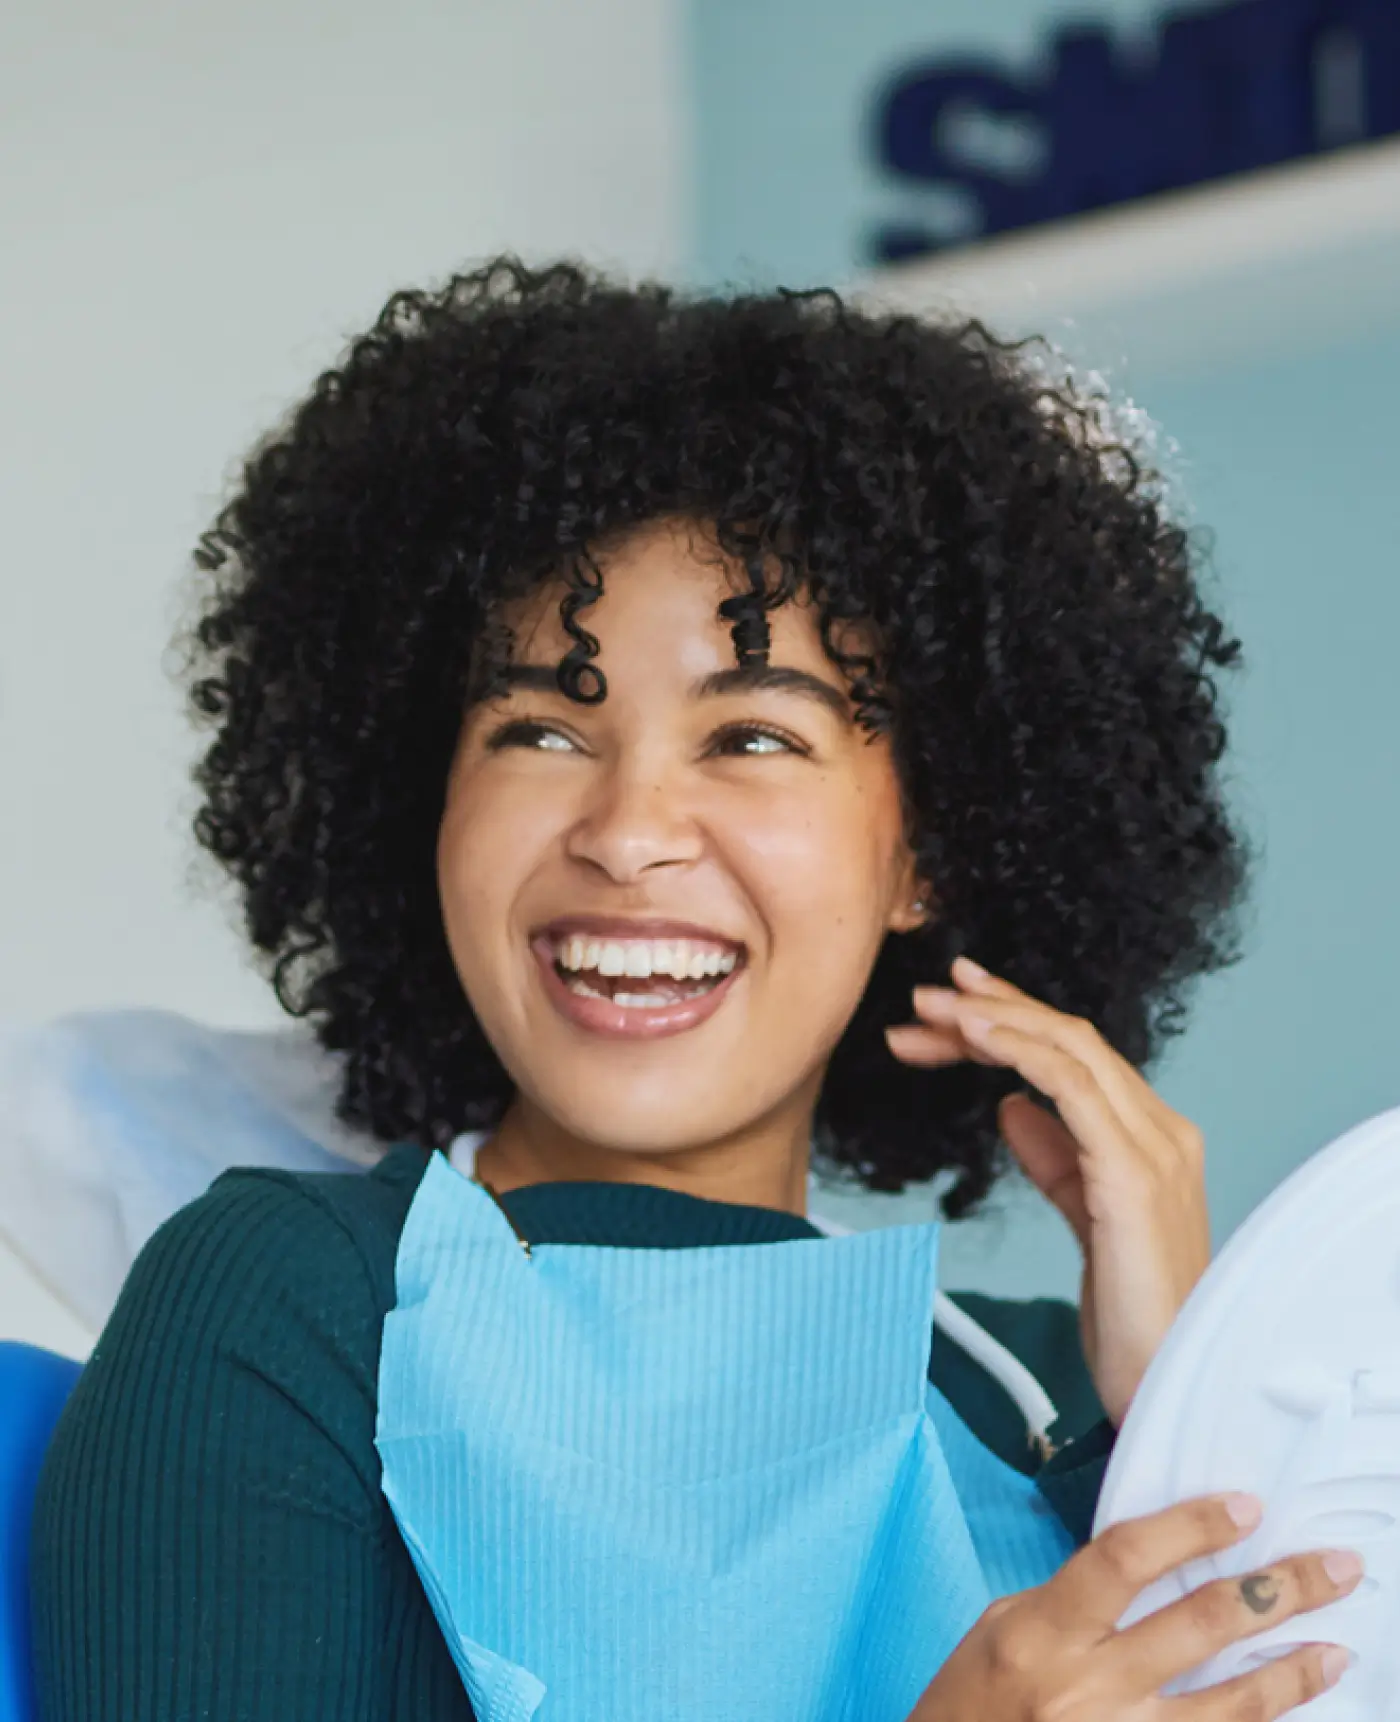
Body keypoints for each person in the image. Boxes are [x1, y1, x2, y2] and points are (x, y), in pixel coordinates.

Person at [30, 259, 1359, 1721]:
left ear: (928, 846)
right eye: (540, 729)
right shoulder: (292, 1306)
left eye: (755, 738)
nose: (628, 829)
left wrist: (1190, 1400)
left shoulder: (1050, 1397)